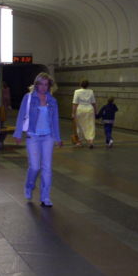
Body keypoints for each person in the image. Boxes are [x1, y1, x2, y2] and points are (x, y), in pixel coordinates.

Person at [13, 72, 62, 207]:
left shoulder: (52, 101)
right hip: (32, 136)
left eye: (46, 85)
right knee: (35, 167)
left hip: (48, 137)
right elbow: (21, 115)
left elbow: (55, 120)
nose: (43, 87)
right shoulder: (28, 98)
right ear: (36, 84)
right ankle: (29, 186)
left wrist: (58, 138)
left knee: (47, 168)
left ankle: (45, 197)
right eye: (41, 84)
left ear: (49, 86)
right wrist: (18, 134)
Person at [72, 79, 97, 148]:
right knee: (90, 126)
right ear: (87, 85)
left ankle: (80, 141)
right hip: (89, 109)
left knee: (80, 126)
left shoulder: (77, 92)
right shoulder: (91, 91)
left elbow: (75, 103)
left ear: (80, 84)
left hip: (80, 110)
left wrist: (73, 113)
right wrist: (95, 111)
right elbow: (93, 103)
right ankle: (91, 141)